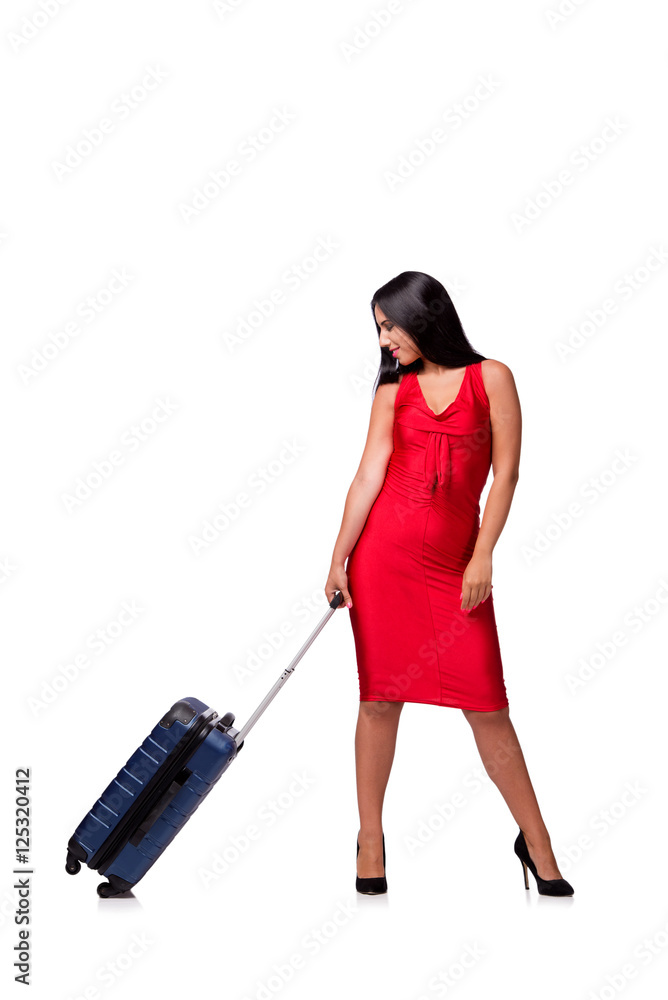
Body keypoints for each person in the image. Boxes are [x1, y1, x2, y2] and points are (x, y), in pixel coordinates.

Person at [324, 271, 574, 898]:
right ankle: (370, 840)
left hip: (457, 566)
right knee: (379, 700)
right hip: (382, 562)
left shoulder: (493, 378)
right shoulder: (393, 391)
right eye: (378, 329)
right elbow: (367, 476)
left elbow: (507, 474)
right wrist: (338, 558)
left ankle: (538, 843)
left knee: (489, 708)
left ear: (424, 315)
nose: (384, 341)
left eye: (390, 326)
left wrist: (483, 555)